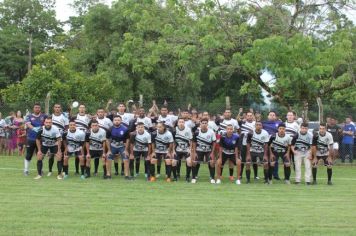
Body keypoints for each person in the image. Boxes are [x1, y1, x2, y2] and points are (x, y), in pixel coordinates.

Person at [24, 103, 47, 176]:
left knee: (40, 155)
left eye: (38, 107)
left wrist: (42, 128)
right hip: (31, 138)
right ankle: (26, 170)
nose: (37, 109)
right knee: (28, 155)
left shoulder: (44, 116)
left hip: (41, 139)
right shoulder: (29, 116)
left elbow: (48, 123)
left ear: (40, 108)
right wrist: (33, 128)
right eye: (36, 107)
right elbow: (28, 124)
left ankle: (40, 170)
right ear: (33, 108)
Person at [191, 118, 216, 184]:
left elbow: (214, 143)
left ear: (207, 124)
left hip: (208, 150)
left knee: (212, 162)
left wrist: (212, 153)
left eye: (205, 123)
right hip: (199, 150)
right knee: (195, 162)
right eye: (203, 123)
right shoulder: (197, 132)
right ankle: (194, 177)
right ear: (200, 124)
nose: (204, 124)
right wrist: (194, 152)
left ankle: (212, 178)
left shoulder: (211, 132)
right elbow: (194, 142)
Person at [217, 109, 240, 181]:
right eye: (226, 112)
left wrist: (237, 157)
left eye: (229, 112)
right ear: (224, 113)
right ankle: (219, 176)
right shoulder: (220, 120)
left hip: (232, 147)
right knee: (220, 162)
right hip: (223, 145)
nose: (227, 113)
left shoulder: (234, 121)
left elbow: (238, 129)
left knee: (233, 162)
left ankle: (234, 177)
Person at [106, 115, 130, 179]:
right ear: (113, 121)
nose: (117, 121)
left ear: (121, 121)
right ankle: (108, 175)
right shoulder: (110, 129)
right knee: (108, 157)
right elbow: (107, 140)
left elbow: (128, 139)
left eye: (118, 120)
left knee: (126, 158)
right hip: (113, 146)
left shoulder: (125, 129)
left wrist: (126, 150)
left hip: (122, 146)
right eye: (115, 120)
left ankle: (127, 175)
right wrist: (109, 150)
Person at [262, 111, 282, 180]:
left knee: (275, 160)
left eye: (273, 115)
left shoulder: (279, 123)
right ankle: (266, 175)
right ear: (268, 116)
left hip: (275, 144)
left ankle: (275, 175)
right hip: (266, 144)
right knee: (266, 160)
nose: (272, 116)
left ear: (276, 117)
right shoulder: (263, 123)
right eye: (270, 115)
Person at [74, 104, 91, 175]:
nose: (82, 109)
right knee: (77, 155)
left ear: (85, 109)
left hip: (85, 138)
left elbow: (90, 127)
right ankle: (77, 171)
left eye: (83, 107)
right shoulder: (75, 117)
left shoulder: (88, 117)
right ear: (78, 109)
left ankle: (84, 170)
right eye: (80, 107)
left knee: (84, 154)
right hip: (76, 138)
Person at [239, 111, 256, 181]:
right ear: (246, 117)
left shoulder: (255, 123)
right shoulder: (243, 123)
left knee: (253, 160)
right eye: (248, 115)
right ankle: (240, 175)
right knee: (243, 160)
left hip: (253, 144)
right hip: (244, 144)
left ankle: (255, 175)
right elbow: (237, 120)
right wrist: (240, 112)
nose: (249, 116)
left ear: (252, 116)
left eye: (250, 115)